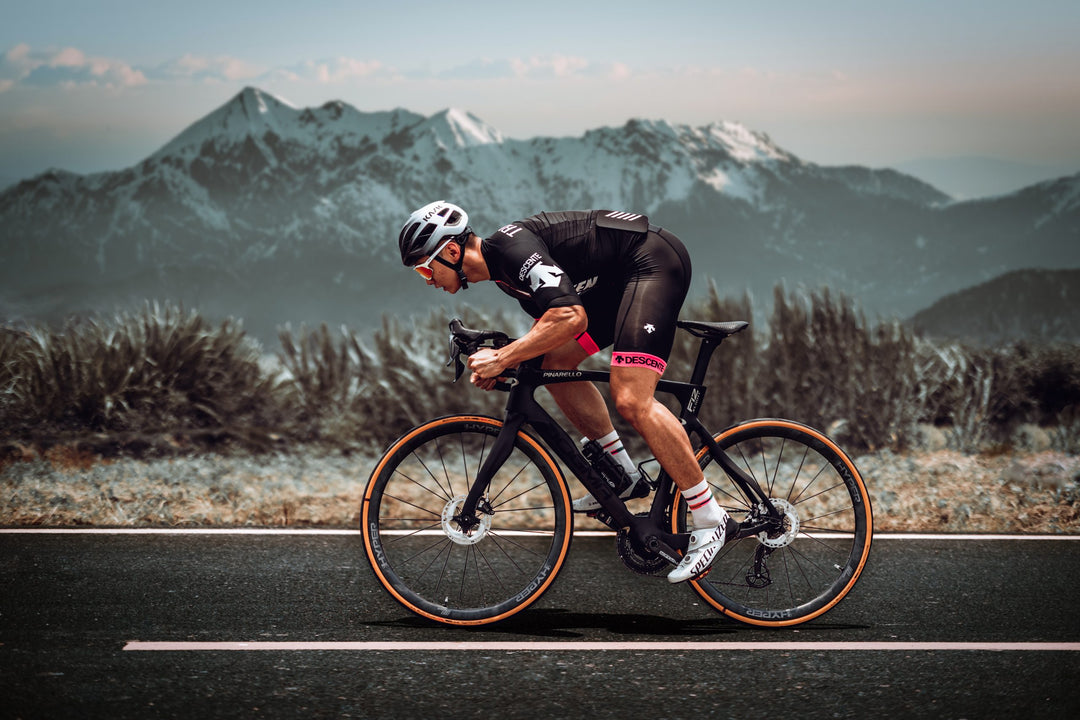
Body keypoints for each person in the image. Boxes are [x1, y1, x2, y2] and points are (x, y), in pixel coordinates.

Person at [398, 200, 737, 583]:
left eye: (426, 268)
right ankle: (622, 473)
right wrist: (505, 362)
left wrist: (503, 357)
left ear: (453, 251)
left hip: (652, 262)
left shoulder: (512, 252)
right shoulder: (505, 275)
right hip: (620, 278)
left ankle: (711, 517)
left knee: (631, 398)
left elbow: (569, 316)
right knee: (552, 361)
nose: (427, 279)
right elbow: (553, 331)